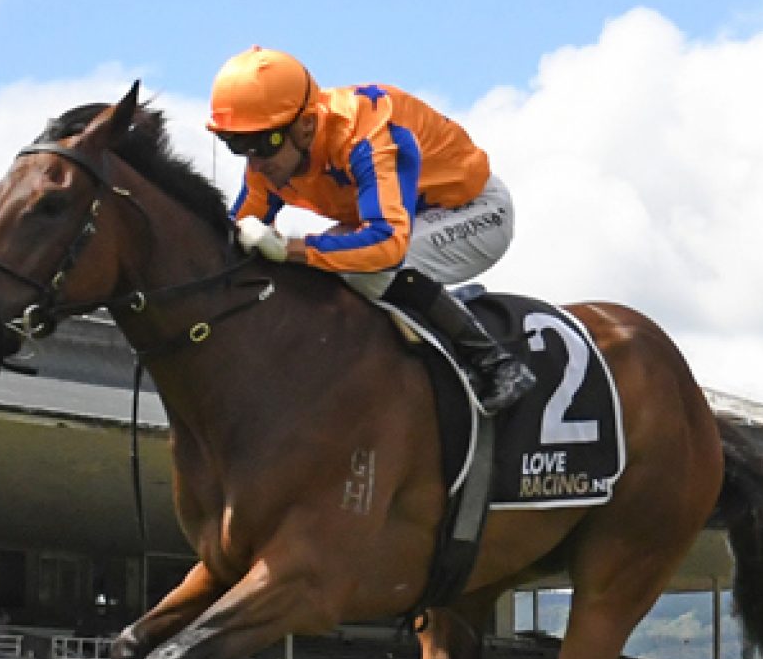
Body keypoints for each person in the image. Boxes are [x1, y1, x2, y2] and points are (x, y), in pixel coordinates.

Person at [207, 46, 535, 414]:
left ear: (306, 124)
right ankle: (437, 310)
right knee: (308, 275)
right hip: (399, 217)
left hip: (473, 210)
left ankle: (495, 363)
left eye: (264, 143)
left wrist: (291, 249)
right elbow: (231, 244)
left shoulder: (365, 136)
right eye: (237, 145)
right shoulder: (270, 163)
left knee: (359, 268)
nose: (255, 162)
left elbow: (387, 245)